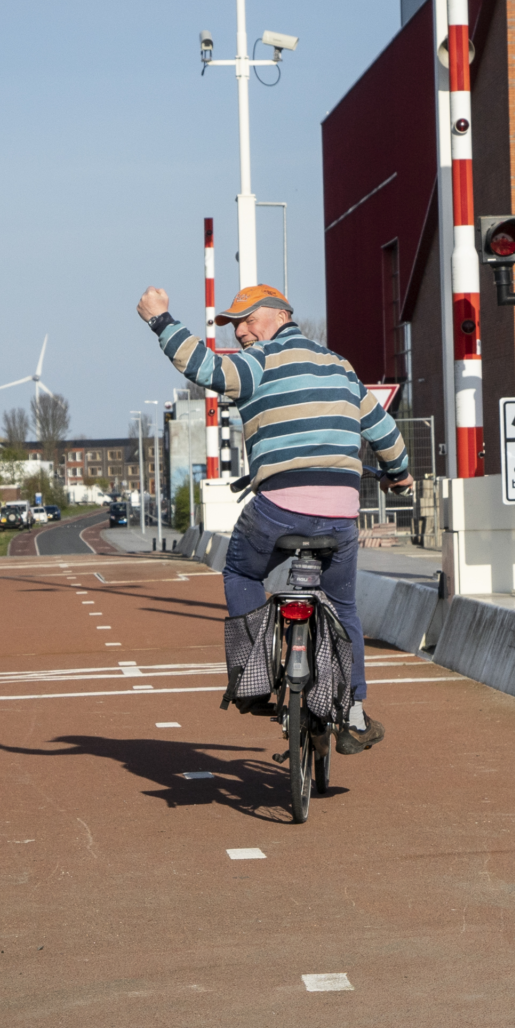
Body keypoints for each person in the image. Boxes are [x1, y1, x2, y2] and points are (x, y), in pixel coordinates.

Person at [136, 282, 412, 754]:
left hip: (278, 509)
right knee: (344, 608)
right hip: (341, 516)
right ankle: (353, 712)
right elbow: (385, 432)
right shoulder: (341, 368)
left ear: (278, 315)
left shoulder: (259, 361)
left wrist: (160, 320)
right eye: (232, 324)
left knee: (242, 571)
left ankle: (254, 676)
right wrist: (399, 476)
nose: (240, 331)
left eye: (246, 320)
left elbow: (204, 367)